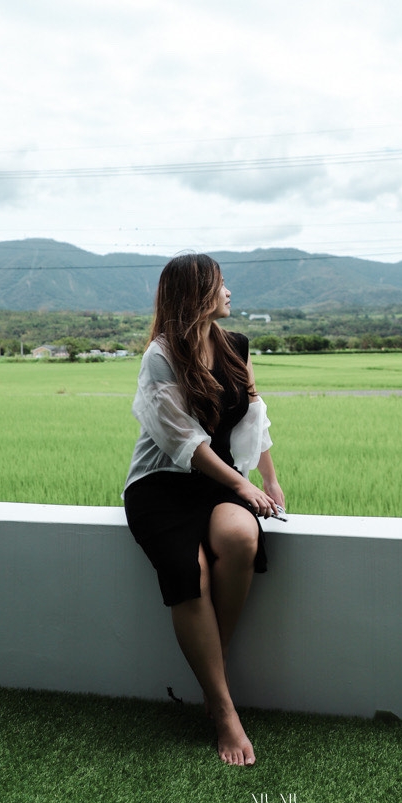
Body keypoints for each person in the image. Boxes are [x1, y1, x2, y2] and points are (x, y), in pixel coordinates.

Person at [123, 253, 285, 766]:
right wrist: (242, 484)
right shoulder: (161, 355)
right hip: (162, 484)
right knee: (188, 569)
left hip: (218, 482)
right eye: (220, 284)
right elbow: (183, 442)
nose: (230, 291)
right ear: (195, 294)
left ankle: (208, 673)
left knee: (241, 537)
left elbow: (253, 415)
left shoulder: (236, 346)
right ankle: (222, 709)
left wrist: (270, 480)